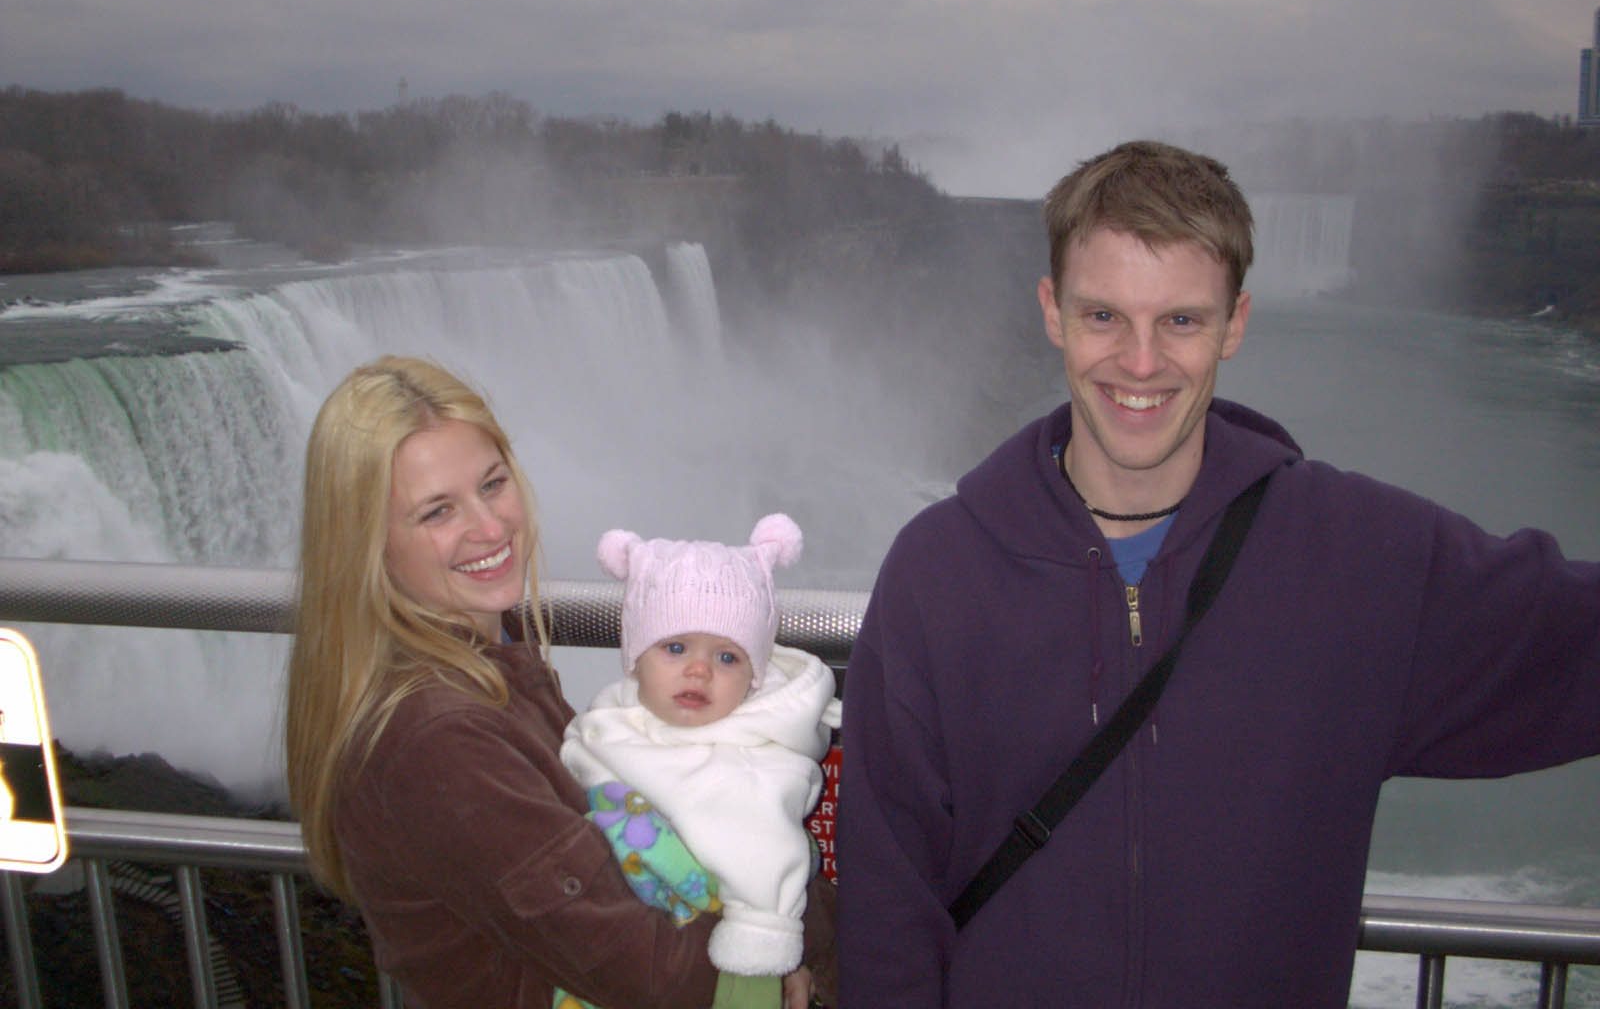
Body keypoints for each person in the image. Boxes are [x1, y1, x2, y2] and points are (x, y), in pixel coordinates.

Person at [834, 141, 1600, 1007]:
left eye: (1182, 321)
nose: (1141, 362)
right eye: (1103, 317)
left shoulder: (1360, 561)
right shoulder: (939, 575)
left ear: (1235, 322)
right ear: (1052, 311)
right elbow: (886, 917)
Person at [284, 355, 834, 1009]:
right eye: (437, 512)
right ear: (366, 543)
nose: (489, 529)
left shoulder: (490, 666)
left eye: (492, 484)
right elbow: (645, 970)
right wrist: (780, 960)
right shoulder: (434, 741)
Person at [558, 514, 842, 1009]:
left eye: (727, 658)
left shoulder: (762, 754)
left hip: (731, 961)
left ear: (755, 675)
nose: (698, 669)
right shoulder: (611, 720)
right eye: (674, 647)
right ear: (635, 658)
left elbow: (768, 851)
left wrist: (764, 936)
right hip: (622, 953)